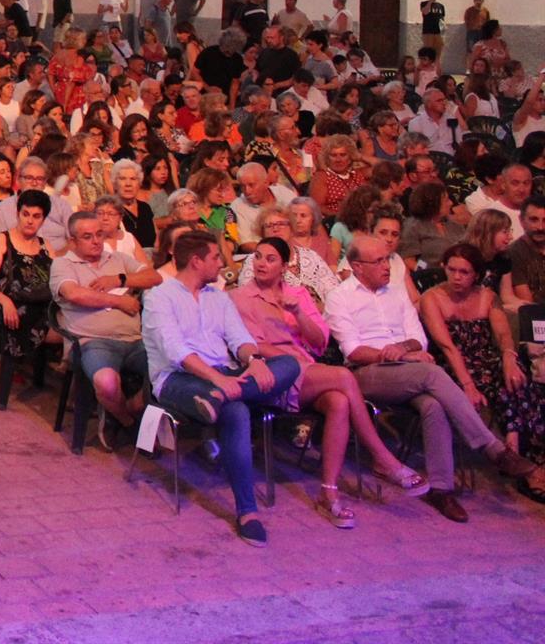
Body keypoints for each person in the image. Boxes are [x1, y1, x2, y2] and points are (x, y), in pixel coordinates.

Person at [326, 232, 545, 521]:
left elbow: (419, 339)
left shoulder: (396, 292)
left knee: (434, 404)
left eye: (388, 259)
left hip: (408, 370)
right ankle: (493, 448)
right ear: (357, 267)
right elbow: (353, 350)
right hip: (365, 374)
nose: (387, 266)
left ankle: (441, 489)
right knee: (433, 373)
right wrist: (400, 354)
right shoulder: (339, 298)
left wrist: (404, 348)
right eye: (378, 261)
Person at [231, 237, 427, 528]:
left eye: (270, 259)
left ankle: (329, 494)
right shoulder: (240, 297)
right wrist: (293, 361)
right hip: (274, 375)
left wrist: (297, 312)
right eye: (258, 257)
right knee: (343, 376)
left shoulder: (298, 294)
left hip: (309, 372)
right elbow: (254, 346)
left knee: (339, 400)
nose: (261, 263)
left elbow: (320, 341)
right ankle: (384, 459)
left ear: (284, 266)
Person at [141, 231, 299, 545]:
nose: (222, 263)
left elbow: (239, 339)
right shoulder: (159, 296)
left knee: (289, 364)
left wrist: (253, 360)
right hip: (179, 379)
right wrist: (219, 380)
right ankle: (247, 512)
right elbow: (177, 353)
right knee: (236, 411)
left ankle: (218, 399)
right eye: (215, 257)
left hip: (225, 377)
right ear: (196, 261)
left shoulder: (218, 297)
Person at [421, 242, 545, 490]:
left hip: (488, 360)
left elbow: (503, 336)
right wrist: (467, 384)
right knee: (499, 386)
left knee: (522, 381)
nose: (456, 277)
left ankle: (520, 450)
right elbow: (447, 348)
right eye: (452, 269)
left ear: (476, 274)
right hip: (455, 366)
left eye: (464, 272)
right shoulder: (432, 298)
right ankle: (521, 462)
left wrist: (509, 359)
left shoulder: (487, 296)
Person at [51, 212, 159, 443]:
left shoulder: (118, 259)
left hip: (135, 340)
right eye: (87, 236)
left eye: (99, 234)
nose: (96, 241)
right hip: (93, 342)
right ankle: (128, 421)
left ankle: (126, 409)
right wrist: (119, 300)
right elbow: (74, 293)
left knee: (169, 369)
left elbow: (154, 277)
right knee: (107, 384)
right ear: (73, 241)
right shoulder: (63, 264)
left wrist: (119, 280)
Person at [0, 189, 55, 367]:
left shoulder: (46, 246)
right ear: (17, 213)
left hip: (43, 304)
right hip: (11, 306)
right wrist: (4, 301)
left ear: (43, 219)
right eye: (25, 214)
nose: (29, 220)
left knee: (77, 324)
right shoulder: (1, 241)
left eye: (36, 216)